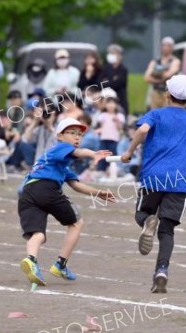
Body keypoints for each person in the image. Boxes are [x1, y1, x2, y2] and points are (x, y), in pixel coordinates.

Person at [120, 75, 186, 293]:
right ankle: (161, 271)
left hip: (153, 176)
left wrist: (129, 152)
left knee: (142, 213)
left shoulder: (156, 114)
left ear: (167, 95)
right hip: (180, 181)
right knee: (167, 230)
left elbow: (142, 130)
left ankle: (148, 221)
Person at [18, 118, 115, 286]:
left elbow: (76, 185)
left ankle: (31, 260)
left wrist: (98, 193)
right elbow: (78, 152)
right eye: (72, 133)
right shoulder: (59, 148)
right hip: (45, 189)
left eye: (80, 134)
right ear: (60, 136)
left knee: (38, 234)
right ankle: (60, 265)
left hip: (27, 193)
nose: (77, 137)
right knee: (77, 223)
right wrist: (93, 153)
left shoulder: (60, 163)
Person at [144, 37, 181, 110]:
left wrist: (155, 74)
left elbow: (168, 75)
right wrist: (160, 79)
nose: (166, 48)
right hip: (156, 92)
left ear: (172, 48)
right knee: (155, 115)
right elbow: (146, 78)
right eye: (164, 45)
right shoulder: (155, 61)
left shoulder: (175, 61)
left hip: (168, 93)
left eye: (168, 46)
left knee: (167, 115)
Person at [95, 95, 125, 173]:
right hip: (104, 138)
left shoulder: (120, 116)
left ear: (116, 105)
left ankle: (113, 171)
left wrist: (117, 121)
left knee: (113, 155)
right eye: (109, 103)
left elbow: (120, 128)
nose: (110, 105)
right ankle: (100, 170)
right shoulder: (103, 115)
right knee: (102, 155)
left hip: (114, 139)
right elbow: (102, 127)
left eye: (112, 103)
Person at [101, 44, 129, 112]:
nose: (110, 55)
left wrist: (107, 82)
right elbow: (100, 82)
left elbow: (118, 84)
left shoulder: (122, 70)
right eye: (110, 53)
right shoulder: (106, 68)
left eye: (113, 53)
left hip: (120, 99)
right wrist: (112, 80)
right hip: (106, 99)